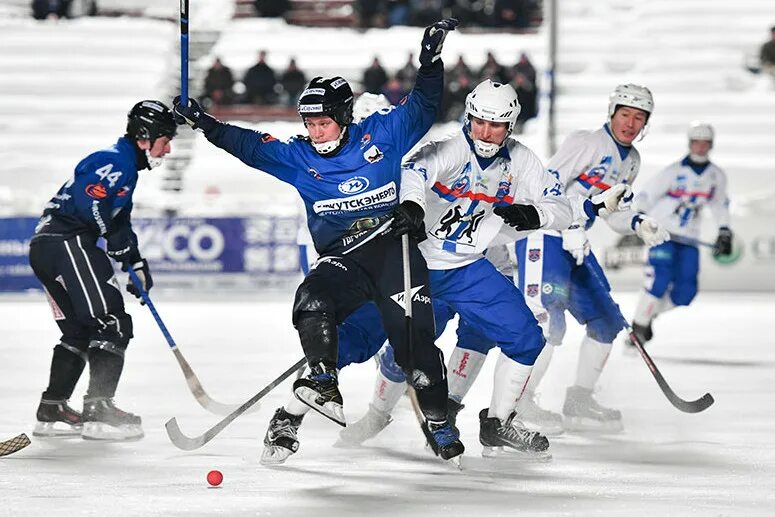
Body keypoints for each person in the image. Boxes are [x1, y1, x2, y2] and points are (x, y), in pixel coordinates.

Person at [173, 19, 464, 463]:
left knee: (416, 351)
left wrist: (431, 60)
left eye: (323, 122)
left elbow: (423, 106)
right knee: (311, 298)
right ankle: (322, 384)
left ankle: (440, 424)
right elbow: (248, 145)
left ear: (344, 118)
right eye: (309, 123)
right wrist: (203, 122)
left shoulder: (382, 136)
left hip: (393, 256)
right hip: (343, 261)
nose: (315, 131)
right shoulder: (298, 157)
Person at [339, 80, 630, 457]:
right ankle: (373, 412)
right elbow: (413, 172)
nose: (486, 133)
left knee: (524, 337)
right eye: (478, 122)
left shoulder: (521, 160)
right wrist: (411, 205)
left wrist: (537, 212)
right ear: (467, 116)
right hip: (423, 263)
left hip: (472, 264)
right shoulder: (449, 148)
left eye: (497, 125)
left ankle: (494, 422)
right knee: (404, 348)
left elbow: (557, 202)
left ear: (511, 126)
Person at [506, 84, 670, 434]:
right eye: (625, 114)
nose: (630, 123)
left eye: (638, 117)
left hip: (575, 242)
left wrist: (639, 223)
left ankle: (579, 400)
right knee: (549, 320)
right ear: (611, 113)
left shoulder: (632, 161)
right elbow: (545, 186)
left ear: (646, 124)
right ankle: (516, 406)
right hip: (546, 235)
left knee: (606, 321)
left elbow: (615, 212)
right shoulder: (587, 142)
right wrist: (566, 225)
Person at [29, 100, 176, 441]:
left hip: (49, 246)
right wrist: (113, 241)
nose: (168, 149)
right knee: (110, 322)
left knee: (80, 331)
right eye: (165, 139)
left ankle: (52, 408)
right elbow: (91, 202)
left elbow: (118, 221)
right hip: (68, 243)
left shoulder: (125, 167)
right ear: (145, 137)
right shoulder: (116, 160)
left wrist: (135, 262)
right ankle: (99, 409)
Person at [628, 122, 732, 346]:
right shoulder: (674, 171)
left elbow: (719, 204)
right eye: (696, 142)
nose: (700, 147)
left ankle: (648, 315)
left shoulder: (716, 176)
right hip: (663, 234)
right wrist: (640, 219)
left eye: (705, 143)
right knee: (659, 280)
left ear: (711, 145)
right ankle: (638, 326)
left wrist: (724, 230)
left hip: (689, 239)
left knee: (686, 292)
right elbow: (647, 195)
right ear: (690, 143)